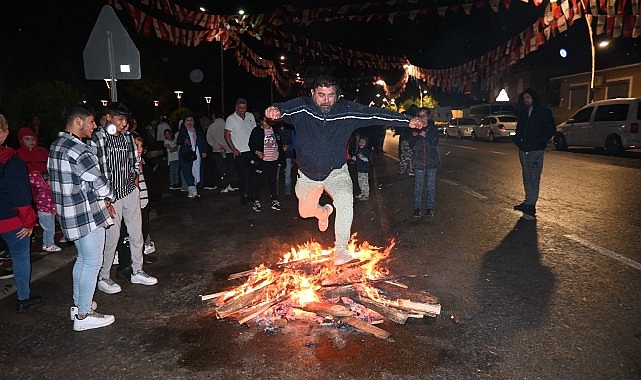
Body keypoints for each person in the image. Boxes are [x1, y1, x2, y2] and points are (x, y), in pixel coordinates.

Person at [265, 74, 425, 264]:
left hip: (336, 172)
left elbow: (374, 114)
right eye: (321, 95)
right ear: (312, 93)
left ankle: (340, 249)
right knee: (305, 212)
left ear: (337, 95)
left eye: (331, 95)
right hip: (307, 175)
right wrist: (275, 110)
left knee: (345, 201)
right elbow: (283, 109)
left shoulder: (346, 111)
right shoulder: (302, 107)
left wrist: (407, 120)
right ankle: (323, 212)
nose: (326, 100)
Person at [48, 104, 116, 330]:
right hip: (86, 213)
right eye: (91, 122)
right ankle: (84, 316)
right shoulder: (79, 150)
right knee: (93, 262)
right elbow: (98, 181)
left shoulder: (56, 145)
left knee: (83, 259)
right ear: (78, 120)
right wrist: (110, 196)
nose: (94, 126)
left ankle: (79, 305)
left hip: (69, 213)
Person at [89, 102, 158, 294]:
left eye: (125, 119)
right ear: (109, 117)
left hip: (129, 191)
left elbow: (134, 161)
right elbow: (95, 170)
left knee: (137, 234)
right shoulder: (98, 139)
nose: (123, 123)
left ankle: (137, 270)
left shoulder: (128, 138)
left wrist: (134, 179)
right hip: (111, 197)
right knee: (112, 237)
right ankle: (104, 276)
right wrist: (104, 198)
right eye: (120, 119)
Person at [0, 114, 41, 312]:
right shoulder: (10, 160)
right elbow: (20, 195)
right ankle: (23, 298)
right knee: (20, 257)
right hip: (9, 219)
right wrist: (29, 222)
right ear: (5, 132)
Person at [15, 126, 61, 252]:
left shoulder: (42, 152)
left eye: (32, 138)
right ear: (21, 140)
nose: (31, 141)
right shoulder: (18, 154)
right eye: (27, 139)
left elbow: (50, 166)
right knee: (30, 214)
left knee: (46, 214)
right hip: (27, 188)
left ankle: (49, 237)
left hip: (44, 189)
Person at [513, 88, 556, 219]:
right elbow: (519, 130)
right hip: (524, 150)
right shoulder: (524, 113)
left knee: (534, 177)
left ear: (534, 98)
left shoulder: (543, 112)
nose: (526, 100)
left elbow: (551, 129)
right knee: (526, 176)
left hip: (536, 150)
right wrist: (518, 142)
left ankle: (531, 205)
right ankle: (528, 202)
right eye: (524, 98)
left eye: (528, 98)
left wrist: (540, 142)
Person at [249, 116, 284, 212]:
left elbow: (279, 143)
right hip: (262, 161)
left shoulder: (275, 131)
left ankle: (274, 200)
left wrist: (281, 151)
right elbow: (251, 144)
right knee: (259, 181)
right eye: (265, 121)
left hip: (273, 160)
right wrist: (257, 152)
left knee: (273, 181)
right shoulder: (257, 131)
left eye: (269, 121)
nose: (267, 123)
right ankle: (256, 201)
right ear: (261, 121)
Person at [225, 98, 256, 205]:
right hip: (240, 152)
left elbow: (255, 132)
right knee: (242, 176)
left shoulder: (250, 116)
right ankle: (243, 196)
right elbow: (227, 135)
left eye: (244, 108)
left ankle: (252, 195)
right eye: (240, 108)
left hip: (251, 151)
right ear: (236, 107)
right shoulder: (231, 119)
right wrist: (233, 149)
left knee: (253, 175)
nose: (242, 110)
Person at [411, 107, 441, 218]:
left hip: (431, 162)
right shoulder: (415, 128)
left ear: (428, 117)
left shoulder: (433, 128)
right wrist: (414, 137)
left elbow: (435, 143)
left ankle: (429, 208)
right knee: (418, 187)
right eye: (419, 116)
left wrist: (426, 136)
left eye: (424, 116)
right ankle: (417, 208)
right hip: (419, 162)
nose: (422, 118)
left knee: (431, 187)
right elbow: (411, 144)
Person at [177, 115, 209, 198]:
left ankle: (192, 191)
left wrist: (204, 151)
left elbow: (202, 141)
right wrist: (185, 141)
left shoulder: (197, 130)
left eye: (191, 120)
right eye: (187, 120)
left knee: (196, 170)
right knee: (188, 171)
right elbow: (179, 140)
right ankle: (193, 190)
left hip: (197, 153)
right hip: (186, 154)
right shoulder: (183, 131)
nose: (190, 122)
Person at [206, 112, 236, 193]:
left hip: (218, 150)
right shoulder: (227, 125)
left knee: (221, 169)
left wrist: (217, 146)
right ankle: (229, 184)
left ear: (213, 116)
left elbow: (209, 139)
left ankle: (224, 186)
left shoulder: (212, 126)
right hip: (229, 150)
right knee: (229, 168)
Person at [351, 136, 371, 201]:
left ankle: (366, 195)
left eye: (363, 142)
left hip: (364, 170)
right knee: (360, 183)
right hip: (359, 170)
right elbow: (357, 158)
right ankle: (362, 193)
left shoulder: (366, 151)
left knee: (364, 183)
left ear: (366, 144)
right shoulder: (359, 150)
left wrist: (360, 155)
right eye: (360, 142)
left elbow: (366, 159)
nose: (361, 143)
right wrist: (352, 158)